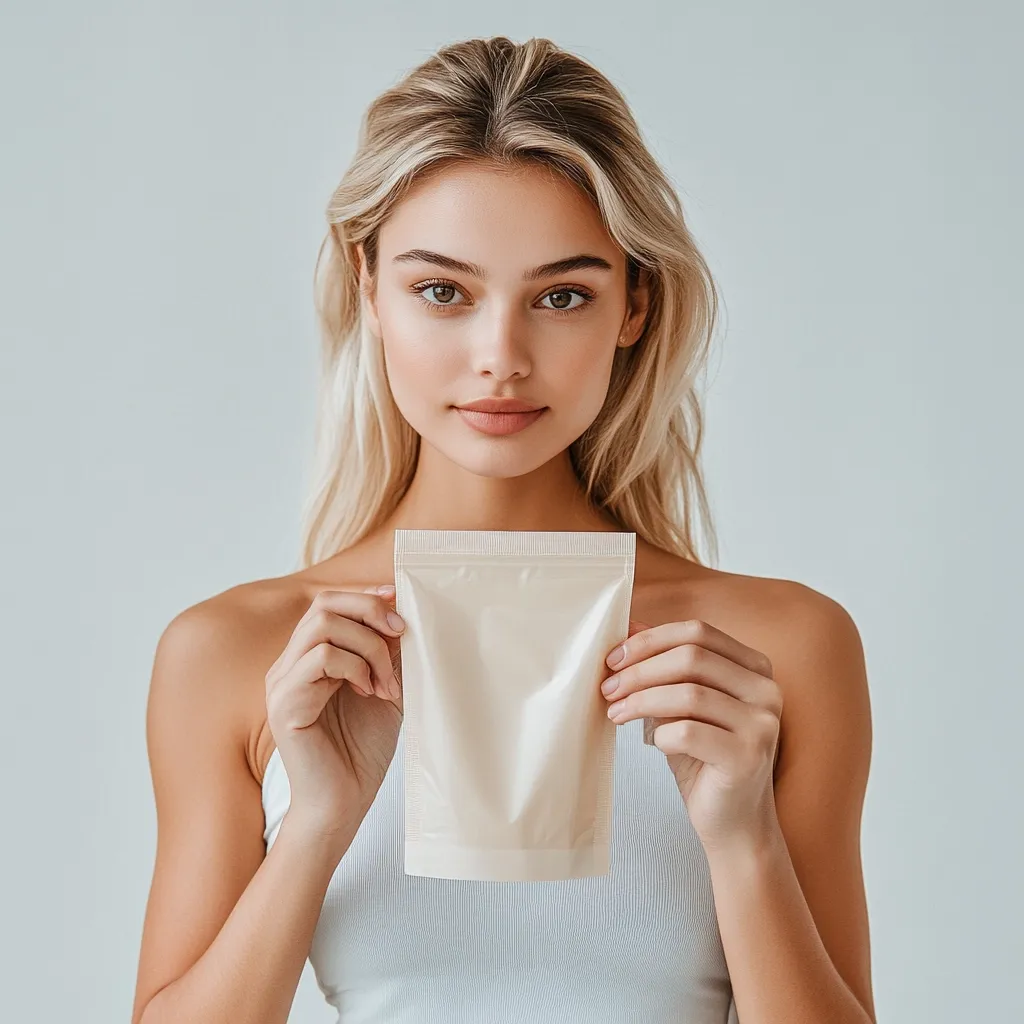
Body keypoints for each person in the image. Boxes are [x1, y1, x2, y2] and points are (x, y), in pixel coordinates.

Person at [130, 35, 875, 1024]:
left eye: (560, 296)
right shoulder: (239, 655)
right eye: (443, 290)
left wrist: (741, 840)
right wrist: (318, 823)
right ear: (369, 289)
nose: (500, 357)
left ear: (633, 306)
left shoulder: (772, 651)